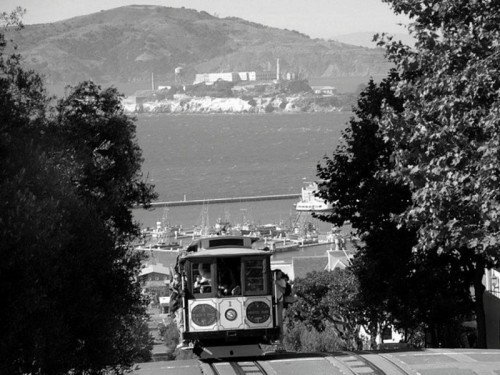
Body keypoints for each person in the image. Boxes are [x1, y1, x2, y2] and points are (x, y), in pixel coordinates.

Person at [169, 273, 187, 348]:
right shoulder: (175, 285)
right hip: (175, 308)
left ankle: (183, 340)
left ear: (180, 278)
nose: (176, 280)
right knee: (178, 325)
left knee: (180, 324)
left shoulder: (182, 285)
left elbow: (182, 293)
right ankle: (181, 340)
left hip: (180, 307)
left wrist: (174, 289)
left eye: (177, 278)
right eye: (174, 278)